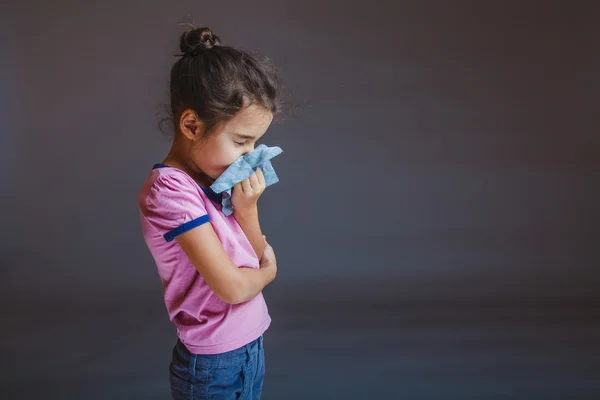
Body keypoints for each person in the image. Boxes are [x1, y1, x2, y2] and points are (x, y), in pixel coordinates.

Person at [137, 25, 282, 399]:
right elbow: (233, 286)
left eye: (256, 142)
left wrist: (246, 208)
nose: (251, 155)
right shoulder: (169, 192)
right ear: (191, 125)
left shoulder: (214, 179)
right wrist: (269, 273)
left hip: (249, 346)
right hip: (214, 362)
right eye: (241, 141)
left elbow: (249, 255)